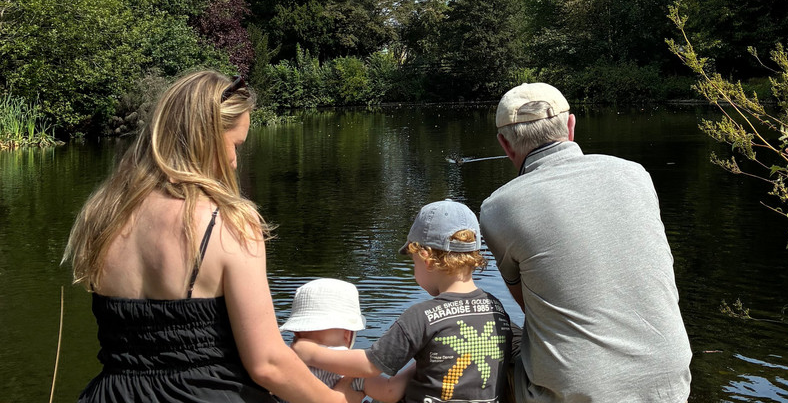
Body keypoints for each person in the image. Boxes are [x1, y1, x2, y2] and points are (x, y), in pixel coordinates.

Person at [64, 70, 350, 403]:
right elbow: (268, 364)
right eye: (234, 145)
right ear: (207, 137)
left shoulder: (102, 216)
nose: (234, 161)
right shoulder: (227, 223)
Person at [479, 83, 693, 403]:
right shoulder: (636, 175)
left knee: (480, 320)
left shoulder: (498, 209)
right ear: (570, 125)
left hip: (578, 395)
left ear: (505, 144)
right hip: (670, 384)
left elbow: (528, 304)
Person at [294, 200, 512, 403]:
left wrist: (310, 353)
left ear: (426, 259)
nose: (413, 268)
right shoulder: (496, 309)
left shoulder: (421, 316)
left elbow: (370, 365)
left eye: (413, 261)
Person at [279, 278, 408, 403]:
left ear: (296, 331)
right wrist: (416, 364)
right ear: (348, 335)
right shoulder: (352, 371)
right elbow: (390, 391)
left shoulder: (284, 365)